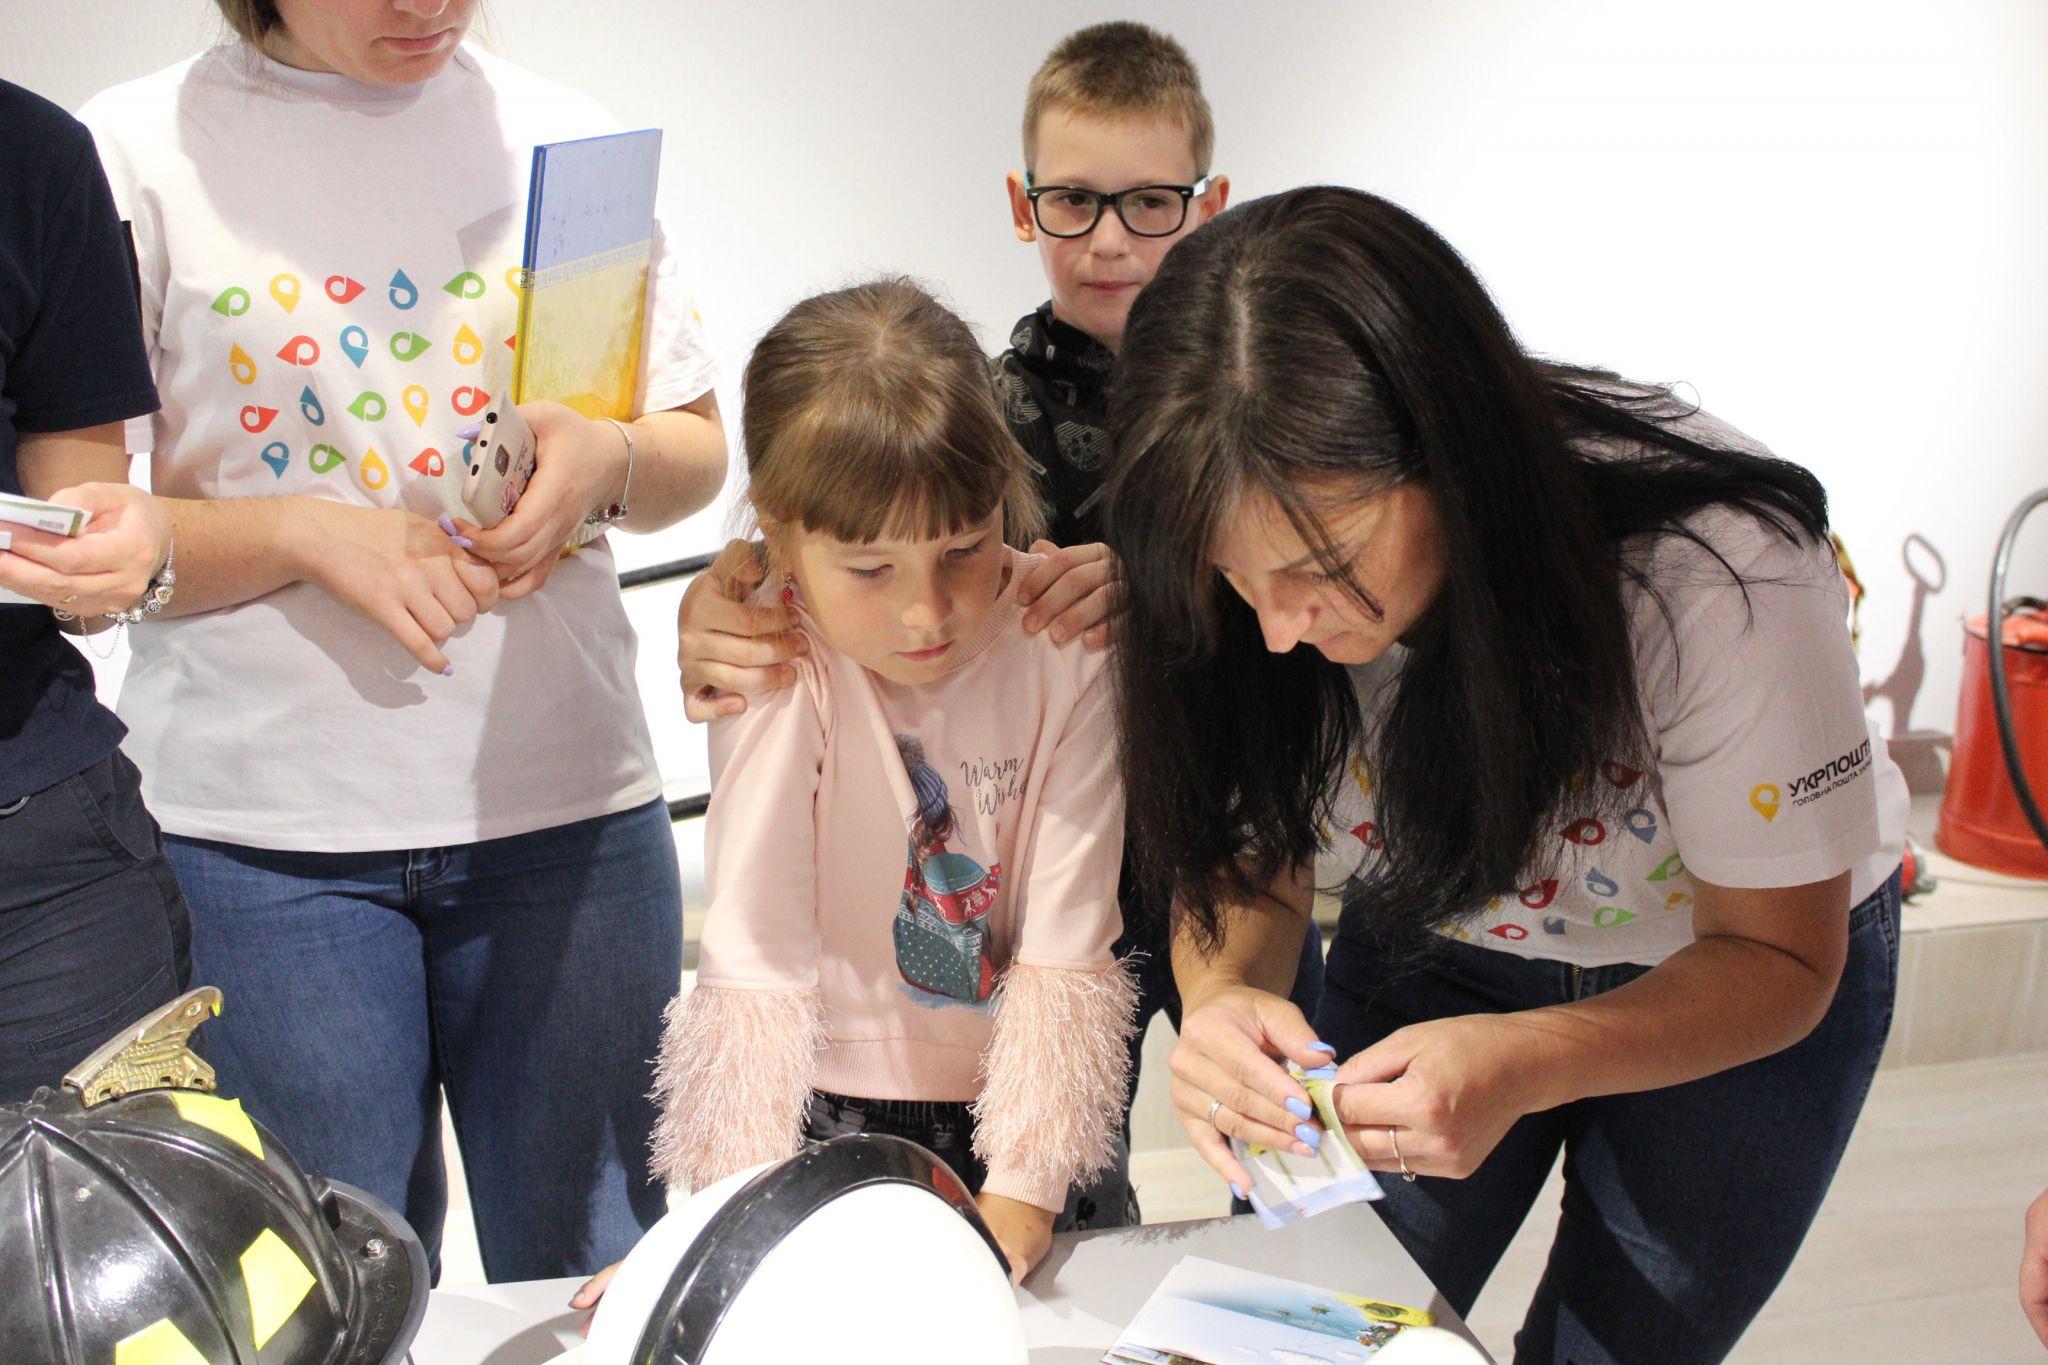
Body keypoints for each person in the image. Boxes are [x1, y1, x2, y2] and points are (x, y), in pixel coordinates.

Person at [1105, 186, 1907, 1363]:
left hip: (1727, 976)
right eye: (1235, 578)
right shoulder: (1228, 566)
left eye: (1320, 566)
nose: (1278, 628)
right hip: (1438, 929)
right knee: (1287, 1336)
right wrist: (1222, 1000)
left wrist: (1530, 1059)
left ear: (1453, 456)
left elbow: (1780, 958)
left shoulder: (1718, 571)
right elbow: (1244, 852)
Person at [77, 0, 726, 1281]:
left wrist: (605, 461)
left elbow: (692, 451)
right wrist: (306, 535)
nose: (420, 5)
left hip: (569, 816)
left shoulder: (561, 138)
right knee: (323, 1303)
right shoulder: (137, 150)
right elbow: (82, 540)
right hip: (259, 847)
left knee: (603, 1282)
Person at [670, 22, 1317, 1218]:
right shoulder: (983, 409)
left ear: (1208, 203)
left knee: (1279, 1175)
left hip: (1228, 838)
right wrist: (740, 587)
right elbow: (847, 511)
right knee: (1074, 1160)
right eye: (1074, 201)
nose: (1110, 237)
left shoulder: (1264, 395)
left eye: (1148, 202)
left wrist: (1165, 596)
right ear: (1025, 206)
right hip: (1038, 876)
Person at [582, 278, 1134, 1311]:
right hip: (830, 1115)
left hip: (1028, 1124)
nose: (928, 611)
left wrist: (1020, 1189)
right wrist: (716, 1220)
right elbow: (754, 948)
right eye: (870, 567)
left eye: (964, 548)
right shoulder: (774, 652)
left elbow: (1071, 934)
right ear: (781, 537)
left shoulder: (1063, 646)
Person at [0, 78, 190, 1103]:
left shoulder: (32, 150)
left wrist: (109, 565)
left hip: (33, 858)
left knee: (90, 1245)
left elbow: (80, 501)